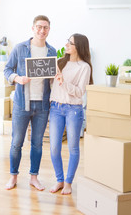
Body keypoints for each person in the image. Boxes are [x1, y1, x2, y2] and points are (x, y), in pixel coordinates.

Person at [4, 15, 57, 190]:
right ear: (33, 28)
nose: (42, 31)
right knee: (17, 142)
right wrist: (17, 78)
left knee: (37, 143)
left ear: (49, 30)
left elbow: (51, 80)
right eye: (39, 27)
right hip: (22, 104)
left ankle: (34, 177)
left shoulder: (52, 52)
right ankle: (13, 176)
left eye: (46, 28)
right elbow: (7, 69)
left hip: (42, 105)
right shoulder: (20, 48)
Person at [49, 33, 93, 195]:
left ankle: (68, 182)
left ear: (78, 47)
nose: (66, 45)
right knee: (54, 147)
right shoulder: (60, 62)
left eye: (70, 43)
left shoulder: (84, 67)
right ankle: (59, 180)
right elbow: (52, 85)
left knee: (73, 147)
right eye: (67, 41)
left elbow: (80, 92)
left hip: (73, 110)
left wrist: (63, 82)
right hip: (55, 108)